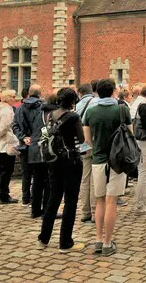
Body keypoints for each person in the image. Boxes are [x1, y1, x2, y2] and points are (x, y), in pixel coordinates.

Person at [83, 78, 132, 257]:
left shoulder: (91, 111)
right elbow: (130, 134)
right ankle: (107, 242)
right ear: (113, 92)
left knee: (100, 200)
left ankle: (98, 239)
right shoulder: (122, 109)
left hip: (98, 159)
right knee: (112, 201)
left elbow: (87, 140)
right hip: (117, 161)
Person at [38, 87, 86, 253]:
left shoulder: (51, 115)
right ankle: (65, 242)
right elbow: (81, 138)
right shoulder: (73, 116)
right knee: (70, 202)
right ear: (73, 101)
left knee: (53, 199)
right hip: (71, 161)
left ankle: (43, 238)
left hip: (54, 161)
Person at [12, 84, 49, 217]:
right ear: (39, 94)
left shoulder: (20, 108)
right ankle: (37, 203)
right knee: (41, 177)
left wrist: (23, 138)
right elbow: (45, 127)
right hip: (39, 146)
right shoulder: (43, 107)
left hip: (25, 145)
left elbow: (15, 125)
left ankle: (25, 198)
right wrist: (39, 139)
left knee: (26, 174)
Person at [0, 89, 19, 204]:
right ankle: (4, 195)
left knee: (0, 169)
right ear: (7, 98)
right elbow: (4, 127)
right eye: (13, 97)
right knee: (6, 170)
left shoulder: (0, 109)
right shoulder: (7, 111)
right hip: (5, 144)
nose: (14, 99)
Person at [131, 83, 146, 214]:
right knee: (143, 173)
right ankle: (140, 204)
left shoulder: (135, 103)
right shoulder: (143, 105)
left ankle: (144, 199)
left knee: (141, 171)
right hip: (145, 141)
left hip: (137, 140)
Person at [75, 83, 98, 223]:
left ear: (80, 93)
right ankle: (96, 211)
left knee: (85, 178)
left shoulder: (77, 105)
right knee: (95, 178)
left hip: (82, 144)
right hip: (94, 142)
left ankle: (85, 212)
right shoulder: (96, 102)